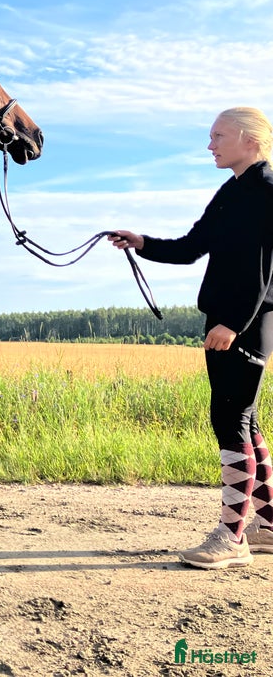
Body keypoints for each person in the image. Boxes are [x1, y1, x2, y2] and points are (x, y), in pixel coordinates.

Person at [110, 107, 273, 570]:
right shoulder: (234, 191)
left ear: (249, 139)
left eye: (219, 136)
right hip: (231, 320)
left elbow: (263, 268)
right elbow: (190, 247)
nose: (210, 145)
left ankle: (232, 537)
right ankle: (266, 525)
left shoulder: (264, 191)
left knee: (230, 418)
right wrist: (141, 242)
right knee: (246, 419)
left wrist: (233, 323)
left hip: (245, 321)